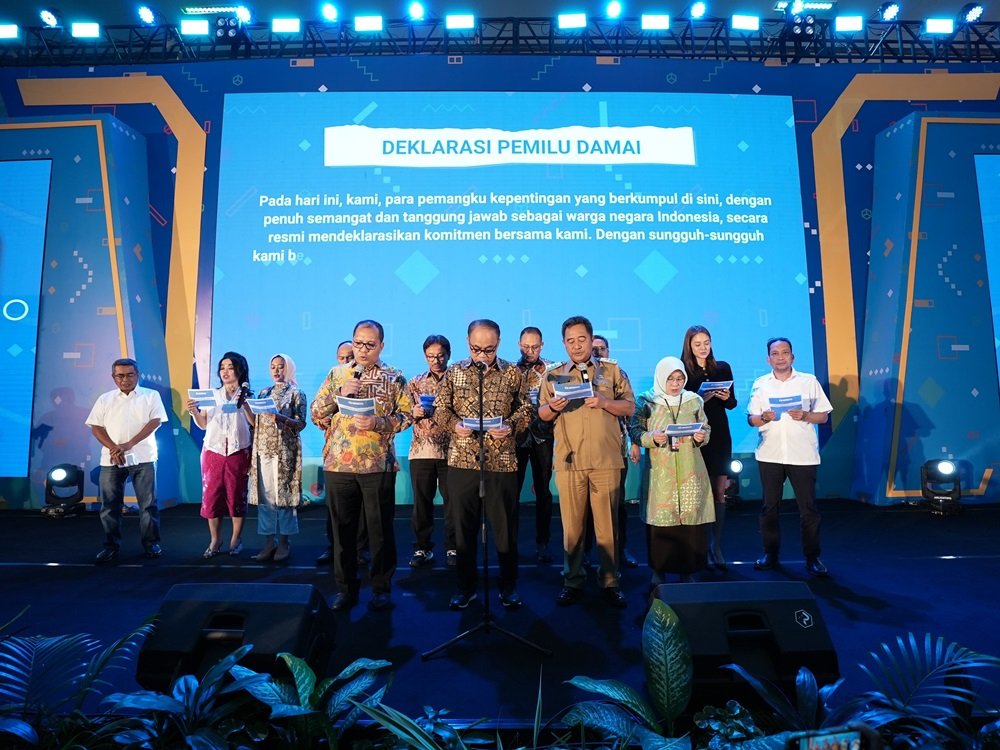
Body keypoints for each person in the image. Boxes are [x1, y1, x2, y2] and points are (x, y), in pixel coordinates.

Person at [312, 320, 412, 612]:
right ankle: (346, 589)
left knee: (380, 531)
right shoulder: (337, 374)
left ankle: (381, 588)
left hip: (377, 465)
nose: (363, 349)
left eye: (370, 344)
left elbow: (407, 416)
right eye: (358, 343)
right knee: (342, 532)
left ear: (381, 346)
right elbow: (316, 412)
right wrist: (339, 393)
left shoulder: (394, 377)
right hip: (338, 465)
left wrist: (378, 423)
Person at [434, 319, 531, 610]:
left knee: (505, 530)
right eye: (477, 349)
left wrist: (511, 426)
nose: (483, 356)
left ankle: (508, 587)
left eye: (489, 350)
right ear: (467, 343)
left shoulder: (512, 372)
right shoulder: (454, 372)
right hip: (462, 460)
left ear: (498, 344)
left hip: (502, 461)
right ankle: (466, 588)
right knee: (464, 529)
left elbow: (527, 408)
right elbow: (440, 409)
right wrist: (454, 425)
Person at [538, 315, 634, 608]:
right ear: (564, 343)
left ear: (592, 340)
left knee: (607, 528)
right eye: (571, 341)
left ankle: (610, 581)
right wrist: (553, 407)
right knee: (573, 528)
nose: (577, 345)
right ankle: (572, 581)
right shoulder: (553, 375)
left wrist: (604, 402)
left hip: (606, 459)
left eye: (582, 339)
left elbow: (629, 407)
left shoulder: (611, 371)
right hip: (570, 461)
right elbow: (541, 414)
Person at [747, 337, 833, 577]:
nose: (780, 357)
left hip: (802, 454)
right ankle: (770, 555)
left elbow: (823, 416)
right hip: (770, 453)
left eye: (785, 352)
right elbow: (751, 419)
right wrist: (763, 417)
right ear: (768, 359)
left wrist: (805, 415)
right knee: (769, 508)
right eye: (775, 353)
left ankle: (812, 558)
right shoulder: (760, 384)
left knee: (808, 509)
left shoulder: (808, 381)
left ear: (792, 356)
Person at [630, 356, 714, 584]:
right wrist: (651, 437)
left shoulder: (693, 400)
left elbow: (706, 428)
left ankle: (688, 571)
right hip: (661, 472)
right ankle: (659, 571)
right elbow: (635, 430)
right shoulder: (647, 401)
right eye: (670, 379)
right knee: (661, 524)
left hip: (690, 469)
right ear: (661, 378)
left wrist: (701, 437)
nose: (675, 384)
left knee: (690, 523)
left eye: (679, 379)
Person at [87, 358, 169, 563]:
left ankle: (151, 544)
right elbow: (96, 426)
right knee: (109, 505)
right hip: (111, 459)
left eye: (130, 374)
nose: (125, 379)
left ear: (137, 375)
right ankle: (111, 546)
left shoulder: (151, 395)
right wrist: (113, 447)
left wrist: (128, 444)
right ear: (113, 377)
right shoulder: (105, 399)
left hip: (144, 457)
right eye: (120, 376)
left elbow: (155, 422)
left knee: (148, 504)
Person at [681, 325, 738, 570]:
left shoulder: (722, 367)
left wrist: (726, 398)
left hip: (720, 434)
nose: (703, 348)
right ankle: (698, 546)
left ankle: (716, 545)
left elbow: (733, 403)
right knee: (695, 493)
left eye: (706, 342)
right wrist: (699, 400)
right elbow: (680, 408)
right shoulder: (683, 370)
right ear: (689, 346)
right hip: (696, 435)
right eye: (698, 344)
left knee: (719, 492)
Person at [187, 351, 253, 558]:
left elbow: (254, 423)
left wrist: (245, 403)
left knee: (237, 495)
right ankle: (215, 539)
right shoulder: (211, 395)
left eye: (230, 367)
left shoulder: (248, 395)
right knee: (212, 496)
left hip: (238, 450)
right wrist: (194, 411)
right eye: (222, 367)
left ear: (240, 370)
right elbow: (203, 424)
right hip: (213, 451)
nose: (225, 371)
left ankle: (236, 539)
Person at [248, 353, 307, 563]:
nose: (276, 370)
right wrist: (246, 406)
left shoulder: (296, 393)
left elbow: (301, 424)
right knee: (266, 500)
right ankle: (268, 543)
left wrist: (281, 418)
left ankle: (284, 542)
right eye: (273, 366)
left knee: (284, 499)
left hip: (284, 452)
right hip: (263, 449)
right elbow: (255, 422)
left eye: (281, 366)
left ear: (288, 368)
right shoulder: (263, 392)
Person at [407, 334, 456, 568]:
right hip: (422, 450)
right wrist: (413, 413)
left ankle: (453, 547)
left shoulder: (457, 379)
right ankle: (422, 548)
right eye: (430, 356)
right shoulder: (415, 382)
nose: (435, 361)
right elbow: (403, 414)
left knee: (453, 503)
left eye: (440, 356)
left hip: (451, 450)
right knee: (422, 503)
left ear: (448, 355)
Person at [592, 334, 639, 569]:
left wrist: (635, 442)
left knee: (617, 504)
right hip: (587, 450)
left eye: (602, 348)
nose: (598, 353)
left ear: (608, 351)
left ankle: (621, 549)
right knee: (586, 507)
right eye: (594, 349)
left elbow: (630, 411)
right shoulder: (579, 375)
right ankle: (588, 553)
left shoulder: (618, 374)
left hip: (615, 449)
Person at [514, 326, 556, 564]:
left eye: (535, 347)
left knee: (543, 491)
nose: (530, 351)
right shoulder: (510, 370)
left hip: (543, 436)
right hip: (518, 438)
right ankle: (510, 542)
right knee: (513, 491)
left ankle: (543, 542)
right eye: (526, 347)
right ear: (519, 345)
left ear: (542, 346)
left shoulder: (552, 369)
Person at [316, 339, 354, 566]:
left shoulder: (366, 377)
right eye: (342, 358)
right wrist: (322, 418)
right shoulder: (334, 376)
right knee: (334, 508)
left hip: (361, 454)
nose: (346, 361)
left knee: (360, 509)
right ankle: (333, 547)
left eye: (350, 357)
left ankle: (361, 549)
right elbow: (317, 409)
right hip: (336, 454)